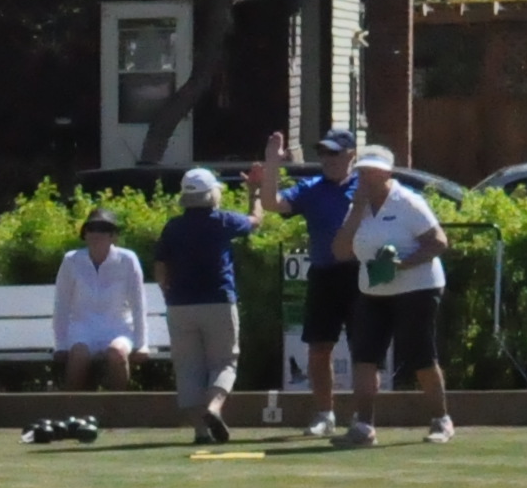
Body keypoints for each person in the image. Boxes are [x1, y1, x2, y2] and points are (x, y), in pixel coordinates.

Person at [335, 142, 456, 444]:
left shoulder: (408, 202)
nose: (366, 178)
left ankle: (441, 421)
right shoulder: (357, 207)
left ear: (387, 174)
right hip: (372, 290)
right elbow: (340, 251)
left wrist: (403, 264)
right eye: (362, 172)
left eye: (373, 172)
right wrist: (357, 210)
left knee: (420, 354)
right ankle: (363, 427)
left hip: (418, 288)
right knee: (365, 356)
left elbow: (438, 242)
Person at [155, 164, 263, 443]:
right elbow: (255, 221)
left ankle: (200, 431)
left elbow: (161, 267)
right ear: (212, 194)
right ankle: (214, 408)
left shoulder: (173, 227)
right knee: (224, 362)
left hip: (180, 304)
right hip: (218, 301)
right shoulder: (223, 221)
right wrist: (254, 192)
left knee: (188, 368)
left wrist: (168, 294)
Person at [266, 129, 359, 430]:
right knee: (319, 348)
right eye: (323, 153)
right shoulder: (312, 188)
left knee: (364, 351)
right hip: (324, 276)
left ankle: (363, 417)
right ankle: (324, 415)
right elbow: (271, 203)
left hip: (361, 276)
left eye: (334, 153)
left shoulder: (366, 186)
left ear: (351, 155)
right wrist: (271, 163)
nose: (327, 159)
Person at [52, 208, 147, 390]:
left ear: (113, 236)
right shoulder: (71, 260)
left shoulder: (128, 259)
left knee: (117, 353)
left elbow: (138, 303)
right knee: (78, 356)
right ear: (85, 234)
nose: (96, 234)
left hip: (118, 328)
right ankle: (73, 405)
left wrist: (142, 344)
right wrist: (60, 345)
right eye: (91, 229)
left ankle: (118, 405)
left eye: (103, 229)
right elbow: (61, 304)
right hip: (82, 329)